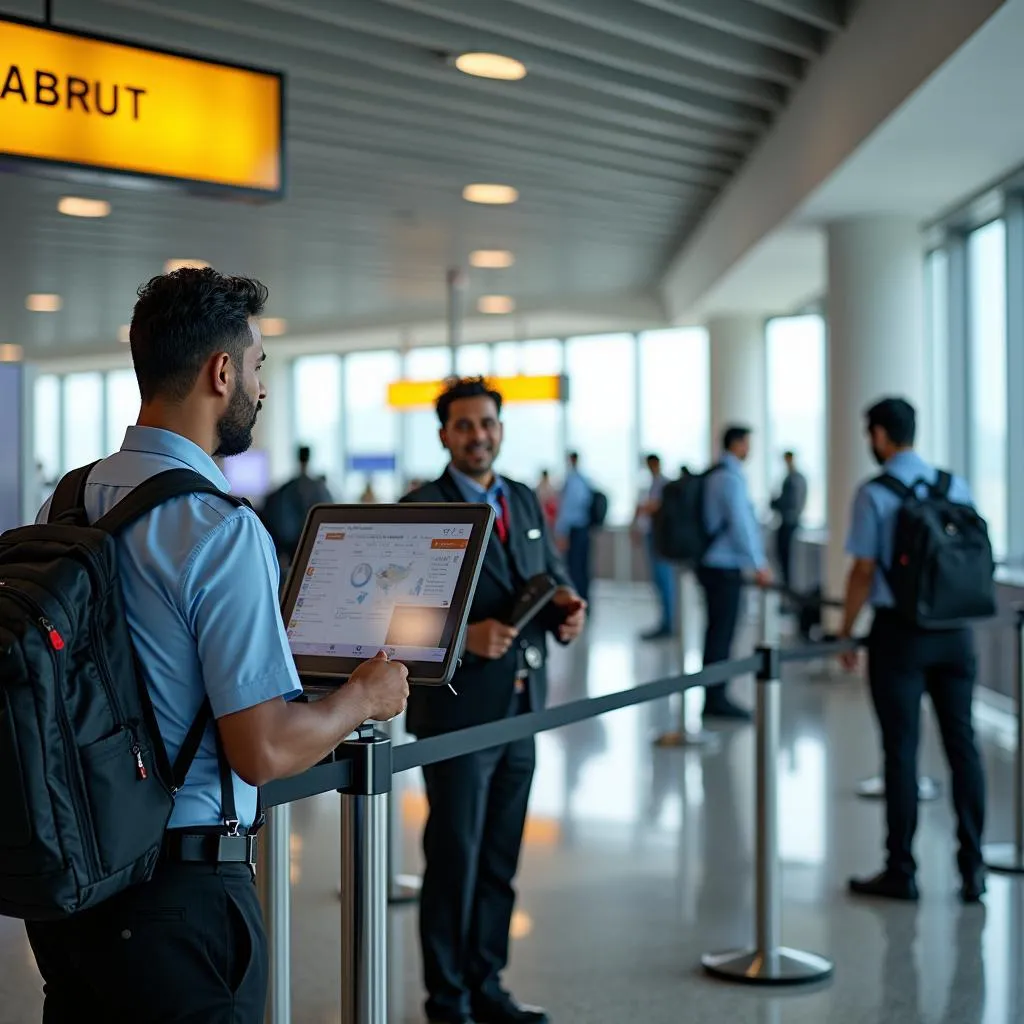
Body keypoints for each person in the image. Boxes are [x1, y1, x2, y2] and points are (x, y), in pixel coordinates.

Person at [23, 268, 410, 1023]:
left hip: (72, 885)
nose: (261, 388)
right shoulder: (220, 530)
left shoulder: (65, 502)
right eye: (259, 365)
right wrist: (364, 695)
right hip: (180, 896)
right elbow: (261, 750)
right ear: (221, 371)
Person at [403, 377, 587, 1024]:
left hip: (520, 708)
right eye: (464, 426)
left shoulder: (524, 500)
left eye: (488, 424)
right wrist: (463, 637)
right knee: (455, 857)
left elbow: (551, 575)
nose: (478, 435)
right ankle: (447, 999)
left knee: (501, 859)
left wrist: (565, 609)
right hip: (457, 713)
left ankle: (488, 985)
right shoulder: (422, 506)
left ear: (500, 430)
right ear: (444, 436)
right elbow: (393, 618)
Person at [840, 397, 986, 903]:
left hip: (899, 633)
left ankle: (901, 870)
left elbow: (862, 571)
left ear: (880, 435)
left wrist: (845, 630)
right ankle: (973, 868)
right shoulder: (954, 485)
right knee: (962, 747)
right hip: (955, 631)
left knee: (900, 752)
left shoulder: (875, 493)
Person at [698, 425, 772, 721]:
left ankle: (714, 693)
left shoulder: (716, 474)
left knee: (717, 631)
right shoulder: (729, 479)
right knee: (721, 634)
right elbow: (741, 525)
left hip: (713, 564)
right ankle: (716, 697)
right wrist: (758, 563)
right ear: (737, 444)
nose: (749, 449)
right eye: (747, 443)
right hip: (723, 566)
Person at [260, 444, 333, 565]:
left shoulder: (284, 488)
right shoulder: (320, 488)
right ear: (309, 458)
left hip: (289, 551)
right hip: (315, 546)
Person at [633, 453, 675, 640]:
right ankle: (665, 620)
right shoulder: (652, 484)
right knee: (659, 581)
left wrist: (645, 508)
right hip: (653, 535)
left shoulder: (664, 484)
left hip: (661, 538)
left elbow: (659, 507)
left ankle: (668, 623)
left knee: (664, 579)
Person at [554, 451, 594, 603]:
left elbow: (567, 508)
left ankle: (578, 599)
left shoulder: (572, 480)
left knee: (575, 567)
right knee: (583, 567)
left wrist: (561, 531)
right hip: (584, 528)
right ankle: (584, 598)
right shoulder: (585, 480)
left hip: (575, 529)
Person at [769, 450, 807, 594]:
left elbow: (791, 503)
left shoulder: (794, 479)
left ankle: (789, 596)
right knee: (784, 563)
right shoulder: (794, 478)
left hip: (790, 525)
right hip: (789, 523)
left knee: (788, 563)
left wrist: (775, 502)